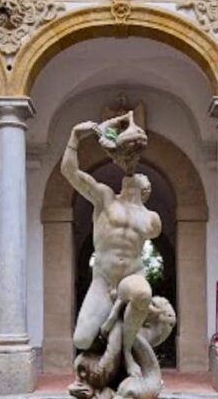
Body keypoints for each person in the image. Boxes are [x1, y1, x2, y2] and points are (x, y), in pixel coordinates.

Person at [61, 114, 160, 357]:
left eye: (140, 175)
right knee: (82, 340)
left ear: (146, 188)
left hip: (132, 276)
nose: (133, 172)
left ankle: (126, 351)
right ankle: (108, 358)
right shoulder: (105, 198)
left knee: (142, 292)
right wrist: (75, 135)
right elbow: (69, 172)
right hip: (103, 280)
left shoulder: (151, 219)